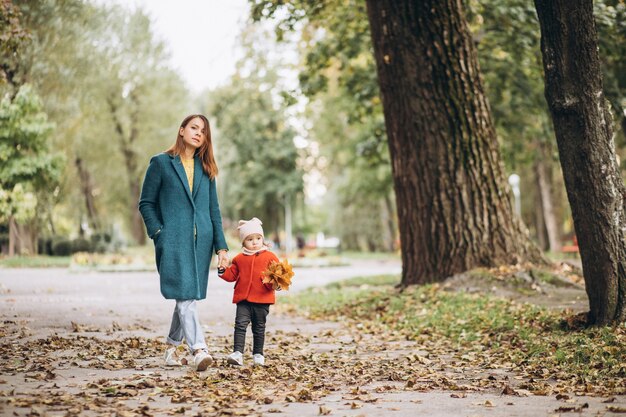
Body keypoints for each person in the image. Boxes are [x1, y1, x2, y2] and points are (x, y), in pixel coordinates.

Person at [138, 114, 229, 371]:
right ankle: (199, 349)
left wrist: (221, 248)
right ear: (181, 130)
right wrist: (159, 233)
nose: (199, 133)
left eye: (203, 131)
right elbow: (146, 203)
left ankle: (170, 348)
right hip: (174, 242)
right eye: (194, 127)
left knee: (186, 296)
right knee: (186, 296)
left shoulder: (206, 169)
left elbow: (214, 210)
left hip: (202, 245)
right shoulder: (161, 163)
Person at [218, 217, 279, 367]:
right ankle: (237, 353)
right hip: (243, 299)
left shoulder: (270, 257)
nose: (254, 242)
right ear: (243, 242)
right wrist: (222, 270)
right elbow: (232, 275)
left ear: (263, 239)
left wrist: (278, 284)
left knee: (259, 327)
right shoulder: (239, 259)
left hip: (262, 299)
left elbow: (278, 274)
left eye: (258, 238)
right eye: (250, 239)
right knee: (240, 325)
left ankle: (258, 354)